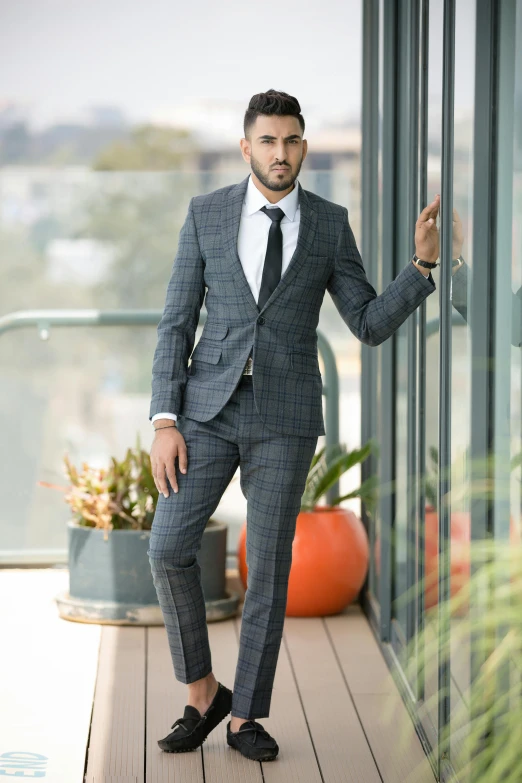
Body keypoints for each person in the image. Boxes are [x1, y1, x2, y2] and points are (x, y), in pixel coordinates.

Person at [147, 89, 440, 762]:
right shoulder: (207, 214)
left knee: (269, 565)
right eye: (268, 141)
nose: (281, 153)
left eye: (292, 140)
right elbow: (175, 324)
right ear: (247, 147)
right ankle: (202, 691)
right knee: (167, 545)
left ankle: (244, 714)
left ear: (303, 147)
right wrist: (166, 418)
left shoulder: (330, 224)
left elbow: (366, 322)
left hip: (286, 416)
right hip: (206, 410)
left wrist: (421, 266)